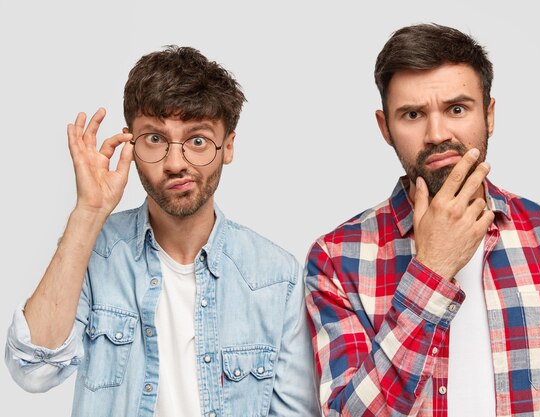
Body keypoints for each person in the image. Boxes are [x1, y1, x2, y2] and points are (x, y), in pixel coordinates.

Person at [304, 24, 540, 416]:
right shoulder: (337, 259)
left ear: (489, 114)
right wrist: (431, 270)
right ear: (385, 127)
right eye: (412, 114)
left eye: (457, 109)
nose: (437, 134)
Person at [5, 46, 319, 417]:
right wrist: (88, 213)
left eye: (197, 140)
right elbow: (33, 370)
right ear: (130, 144)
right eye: (155, 139)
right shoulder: (94, 251)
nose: (175, 163)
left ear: (228, 146)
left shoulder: (274, 276)